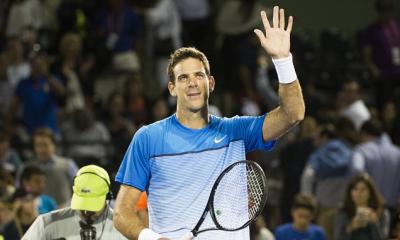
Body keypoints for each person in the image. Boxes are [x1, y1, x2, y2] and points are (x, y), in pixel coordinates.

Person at [114, 6, 305, 240]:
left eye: (199, 75)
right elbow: (122, 213)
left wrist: (283, 60)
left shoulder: (236, 131)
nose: (192, 83)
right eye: (183, 77)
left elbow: (293, 114)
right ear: (172, 88)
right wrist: (154, 239)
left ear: (211, 83)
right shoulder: (148, 138)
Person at [22, 165, 127, 239]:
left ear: (107, 197)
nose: (86, 210)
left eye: (92, 204)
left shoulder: (125, 229)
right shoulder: (46, 223)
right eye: (83, 203)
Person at [333, 173, 390, 240]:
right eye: (355, 189)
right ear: (350, 192)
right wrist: (351, 227)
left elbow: (383, 238)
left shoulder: (382, 212)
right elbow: (338, 237)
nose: (359, 193)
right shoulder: (343, 212)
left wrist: (374, 223)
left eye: (363, 189)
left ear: (370, 192)